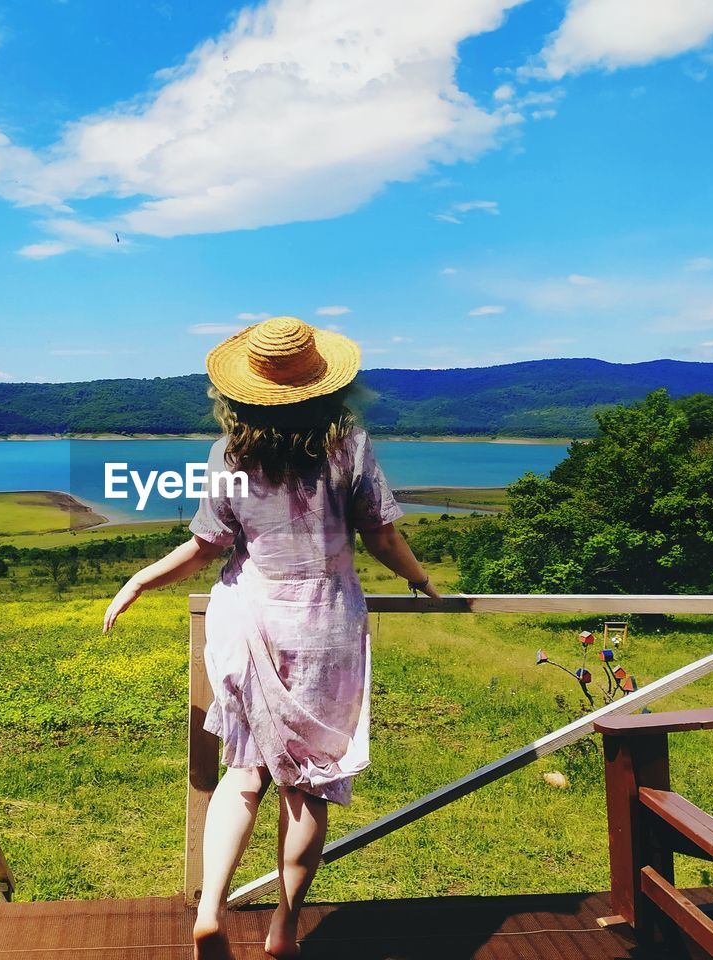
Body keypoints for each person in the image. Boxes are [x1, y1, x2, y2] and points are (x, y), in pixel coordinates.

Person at [103, 316, 440, 959]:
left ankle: (210, 911)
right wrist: (422, 581)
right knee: (309, 783)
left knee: (243, 775)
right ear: (325, 385)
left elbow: (206, 546)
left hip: (249, 619)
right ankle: (284, 924)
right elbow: (383, 535)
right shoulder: (350, 447)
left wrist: (141, 580)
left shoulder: (231, 453)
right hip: (324, 626)